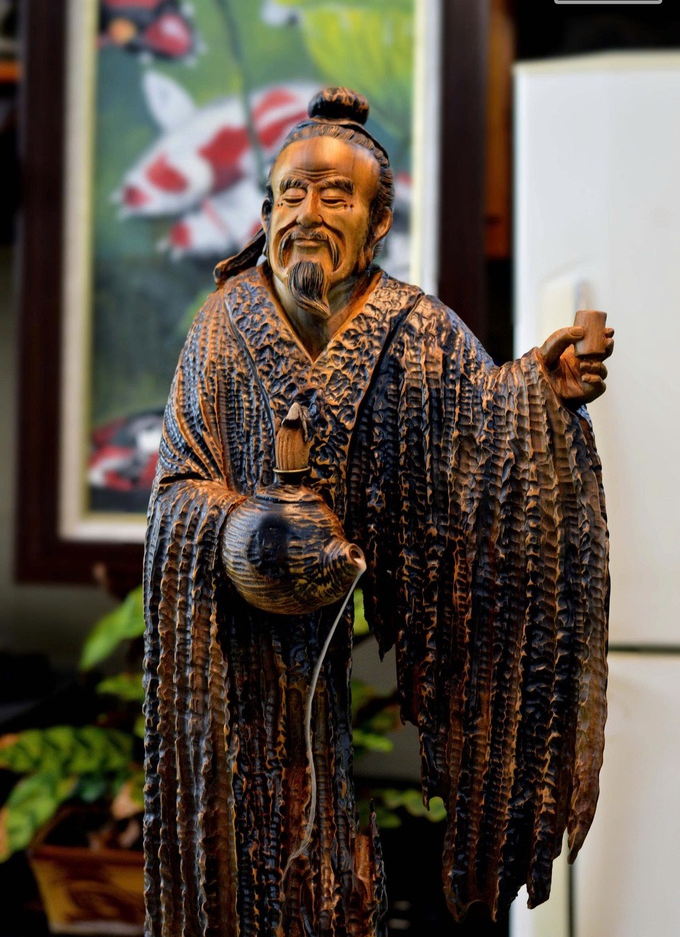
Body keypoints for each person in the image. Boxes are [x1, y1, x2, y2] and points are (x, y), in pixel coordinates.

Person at [143, 87, 612, 937]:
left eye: (336, 196)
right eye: (292, 194)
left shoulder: (414, 328)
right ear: (265, 213)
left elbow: (483, 430)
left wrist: (542, 394)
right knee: (245, 857)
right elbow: (178, 484)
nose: (309, 215)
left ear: (378, 220)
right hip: (243, 652)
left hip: (341, 630)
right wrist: (239, 529)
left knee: (335, 878)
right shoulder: (222, 327)